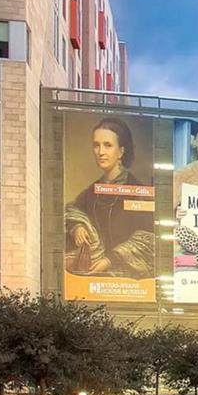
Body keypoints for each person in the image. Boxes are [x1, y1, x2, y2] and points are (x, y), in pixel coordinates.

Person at [64, 117, 155, 277]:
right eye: (96, 145)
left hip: (126, 281)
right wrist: (77, 226)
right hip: (90, 275)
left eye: (107, 145)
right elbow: (73, 210)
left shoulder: (139, 191)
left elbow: (147, 237)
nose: (100, 152)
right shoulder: (92, 191)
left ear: (121, 151)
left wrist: (110, 260)